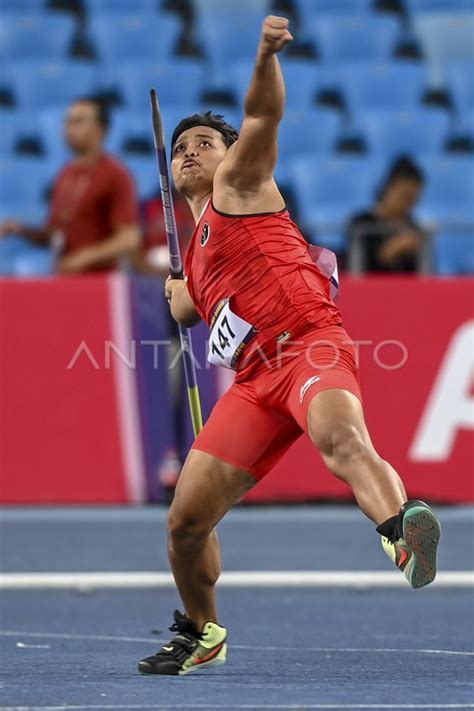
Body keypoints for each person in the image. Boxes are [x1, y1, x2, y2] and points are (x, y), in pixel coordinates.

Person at [138, 17, 441, 677]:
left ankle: (402, 530)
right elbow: (190, 306)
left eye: (204, 142)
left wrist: (265, 55)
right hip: (254, 383)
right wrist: (178, 297)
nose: (190, 150)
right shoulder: (193, 252)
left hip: (309, 345)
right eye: (180, 146)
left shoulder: (238, 185)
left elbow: (262, 113)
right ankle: (201, 630)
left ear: (228, 155)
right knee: (186, 523)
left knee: (343, 441)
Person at [0, 97, 140, 274]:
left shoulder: (116, 174)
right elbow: (55, 234)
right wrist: (21, 229)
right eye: (67, 121)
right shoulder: (65, 174)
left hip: (100, 283)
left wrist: (85, 257)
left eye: (78, 121)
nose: (69, 128)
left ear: (102, 129)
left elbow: (129, 239)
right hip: (67, 279)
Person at [347, 156, 426, 273]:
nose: (410, 204)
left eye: (415, 199)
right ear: (389, 187)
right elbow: (357, 268)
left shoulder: (415, 230)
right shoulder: (361, 224)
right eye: (406, 197)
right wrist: (392, 251)